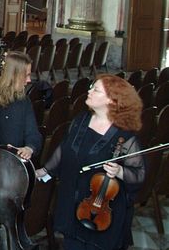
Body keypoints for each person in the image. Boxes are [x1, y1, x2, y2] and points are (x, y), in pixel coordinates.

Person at [36, 75, 145, 250]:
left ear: (111, 100)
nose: (89, 91)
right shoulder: (81, 119)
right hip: (71, 201)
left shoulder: (125, 136)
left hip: (103, 212)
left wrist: (120, 172)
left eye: (96, 89)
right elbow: (65, 148)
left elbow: (139, 174)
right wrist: (47, 170)